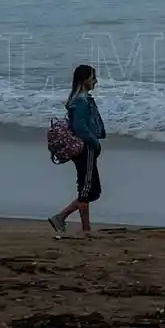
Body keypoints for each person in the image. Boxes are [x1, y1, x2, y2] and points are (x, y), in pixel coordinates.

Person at [48, 64, 106, 236]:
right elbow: (80, 128)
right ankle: (84, 229)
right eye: (93, 77)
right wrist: (95, 143)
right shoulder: (80, 100)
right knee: (86, 189)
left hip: (86, 147)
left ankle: (61, 216)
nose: (95, 81)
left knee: (93, 191)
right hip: (85, 148)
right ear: (84, 79)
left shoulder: (82, 98)